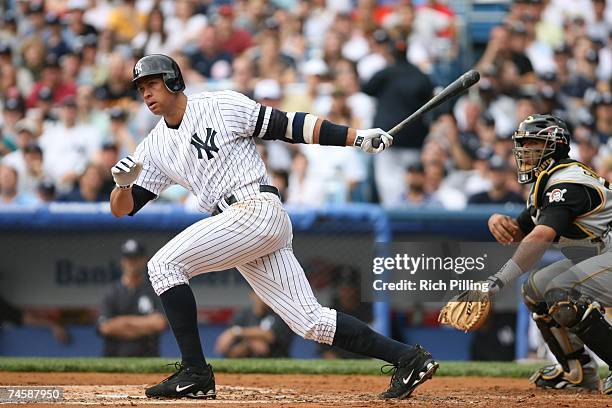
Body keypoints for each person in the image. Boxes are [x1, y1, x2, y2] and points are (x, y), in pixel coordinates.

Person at [109, 54, 438, 400]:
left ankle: (195, 372)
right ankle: (408, 358)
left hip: (255, 208)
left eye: (152, 83)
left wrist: (355, 137)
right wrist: (122, 185)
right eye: (141, 88)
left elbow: (288, 124)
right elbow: (123, 209)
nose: (146, 93)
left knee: (164, 266)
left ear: (173, 81)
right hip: (239, 223)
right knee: (310, 321)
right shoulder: (154, 145)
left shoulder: (219, 104)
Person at [483, 114, 611, 394]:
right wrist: (496, 219)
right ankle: (577, 371)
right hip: (602, 257)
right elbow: (519, 230)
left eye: (533, 144)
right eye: (523, 144)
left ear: (554, 146)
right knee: (535, 288)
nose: (524, 151)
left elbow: (541, 236)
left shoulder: (566, 182)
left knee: (560, 291)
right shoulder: (547, 183)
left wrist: (498, 281)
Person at [97, 239, 167, 357]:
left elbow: (159, 324)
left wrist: (123, 323)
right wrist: (143, 325)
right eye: (129, 258)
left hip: (148, 358)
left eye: (136, 258)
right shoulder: (112, 291)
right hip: (114, 358)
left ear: (145, 260)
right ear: (122, 261)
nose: (132, 262)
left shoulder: (155, 289)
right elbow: (105, 327)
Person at [214, 291, 292, 358]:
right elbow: (229, 349)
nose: (262, 298)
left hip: (276, 360)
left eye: (265, 294)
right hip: (246, 364)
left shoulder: (278, 313)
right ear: (252, 295)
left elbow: (270, 335)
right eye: (259, 293)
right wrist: (249, 344)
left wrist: (236, 332)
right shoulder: (243, 315)